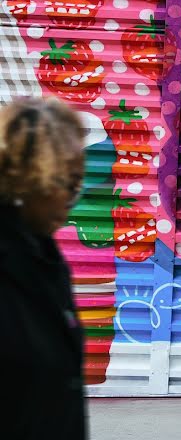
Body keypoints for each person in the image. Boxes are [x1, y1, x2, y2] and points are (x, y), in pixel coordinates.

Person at [0, 96, 88, 439]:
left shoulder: (47, 259)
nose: (71, 199)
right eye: (65, 183)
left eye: (77, 185)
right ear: (30, 176)